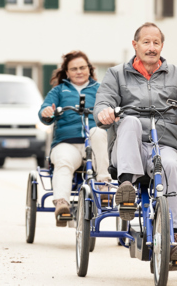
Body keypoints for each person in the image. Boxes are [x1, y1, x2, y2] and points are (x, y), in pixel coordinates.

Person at [94, 22, 177, 264]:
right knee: (131, 121)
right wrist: (105, 112)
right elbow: (103, 102)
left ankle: (175, 237)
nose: (151, 47)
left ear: (162, 46)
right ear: (135, 45)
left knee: (171, 165)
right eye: (146, 42)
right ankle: (127, 188)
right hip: (128, 147)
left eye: (156, 42)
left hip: (164, 144)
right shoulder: (116, 74)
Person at [38, 51, 111, 227]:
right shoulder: (59, 90)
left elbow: (111, 109)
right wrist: (47, 112)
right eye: (74, 69)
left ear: (89, 69)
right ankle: (62, 204)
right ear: (67, 72)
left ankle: (103, 187)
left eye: (82, 67)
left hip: (93, 143)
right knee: (63, 161)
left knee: (99, 133)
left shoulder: (100, 89)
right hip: (67, 143)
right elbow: (45, 110)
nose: (79, 71)